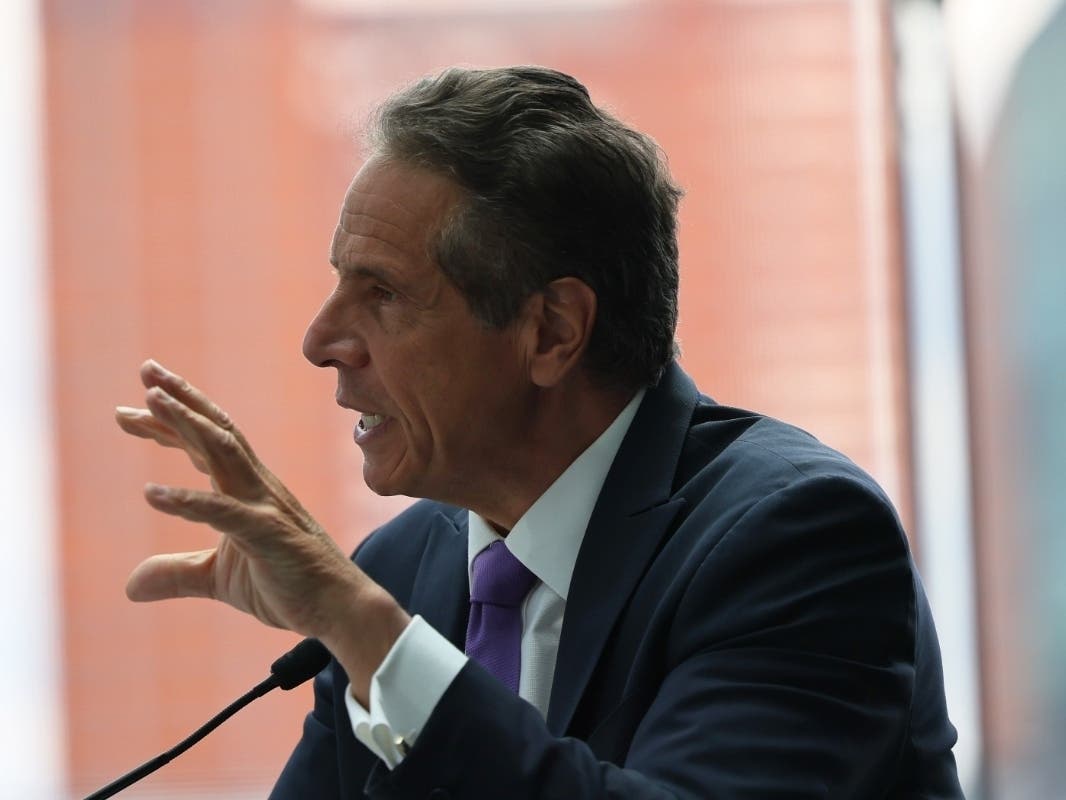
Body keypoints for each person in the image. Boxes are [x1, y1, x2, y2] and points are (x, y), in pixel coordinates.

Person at [115, 66, 964, 798]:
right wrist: (367, 624)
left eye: (382, 294)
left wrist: (366, 631)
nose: (321, 342)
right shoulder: (404, 570)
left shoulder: (794, 540)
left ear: (553, 331)